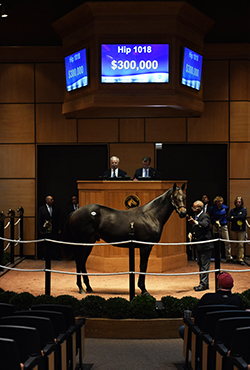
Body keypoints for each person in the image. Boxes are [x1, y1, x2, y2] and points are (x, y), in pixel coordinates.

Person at [188, 200, 214, 291]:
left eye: (195, 208)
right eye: (193, 208)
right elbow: (196, 228)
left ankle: (203, 284)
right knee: (200, 264)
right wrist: (191, 233)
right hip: (199, 245)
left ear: (200, 208)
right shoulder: (196, 217)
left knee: (204, 266)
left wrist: (195, 223)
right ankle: (204, 283)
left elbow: (205, 225)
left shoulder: (205, 216)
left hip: (205, 246)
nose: (193, 210)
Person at [208, 196, 233, 262]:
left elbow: (227, 214)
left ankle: (228, 256)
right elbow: (208, 215)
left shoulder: (225, 207)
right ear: (215, 202)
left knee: (227, 241)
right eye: (218, 201)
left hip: (223, 226)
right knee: (217, 242)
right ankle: (218, 256)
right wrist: (211, 223)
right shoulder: (212, 208)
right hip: (215, 226)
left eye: (221, 201)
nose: (220, 202)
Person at [38, 195, 62, 260]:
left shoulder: (56, 208)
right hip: (45, 229)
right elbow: (39, 219)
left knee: (54, 243)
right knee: (45, 243)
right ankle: (45, 256)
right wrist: (40, 229)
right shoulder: (41, 209)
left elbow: (59, 219)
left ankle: (55, 256)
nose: (52, 201)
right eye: (51, 200)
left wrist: (59, 228)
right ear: (47, 200)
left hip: (54, 229)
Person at [228, 196, 247, 265]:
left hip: (241, 229)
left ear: (241, 203)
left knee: (241, 244)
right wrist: (236, 217)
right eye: (237, 202)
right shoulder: (233, 210)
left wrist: (234, 217)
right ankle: (236, 257)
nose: (238, 203)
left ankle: (241, 258)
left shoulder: (244, 210)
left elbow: (243, 216)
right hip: (234, 229)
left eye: (239, 202)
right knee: (235, 244)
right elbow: (229, 218)